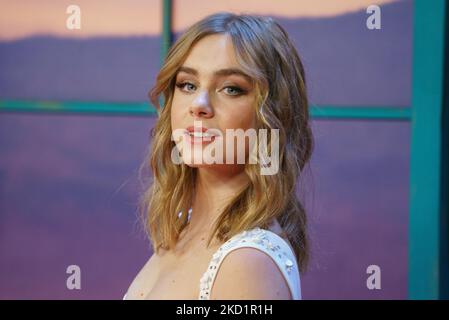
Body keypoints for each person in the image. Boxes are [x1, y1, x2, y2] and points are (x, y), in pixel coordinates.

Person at [124, 12, 313, 300]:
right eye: (187, 84)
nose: (199, 105)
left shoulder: (247, 263)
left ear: (273, 115)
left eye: (231, 89)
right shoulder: (181, 229)